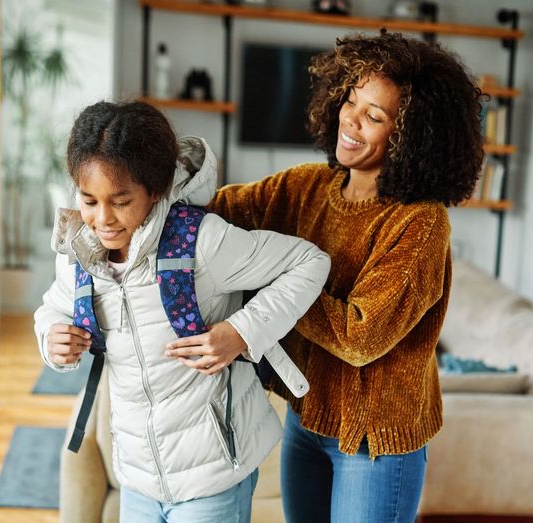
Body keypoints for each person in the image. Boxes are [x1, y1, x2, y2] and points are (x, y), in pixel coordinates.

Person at [164, 31, 484, 522]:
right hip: (306, 419)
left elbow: (361, 334)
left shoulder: (419, 223)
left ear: (412, 137)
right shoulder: (309, 186)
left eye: (374, 116)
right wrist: (140, 201)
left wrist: (280, 285)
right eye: (351, 101)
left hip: (374, 444)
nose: (350, 121)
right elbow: (221, 211)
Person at [33, 100, 331, 523]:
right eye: (88, 200)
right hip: (137, 479)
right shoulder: (78, 254)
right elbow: (50, 309)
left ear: (155, 190)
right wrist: (51, 340)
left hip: (213, 475)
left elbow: (309, 262)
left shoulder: (202, 244)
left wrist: (241, 332)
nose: (103, 219)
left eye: (120, 201)